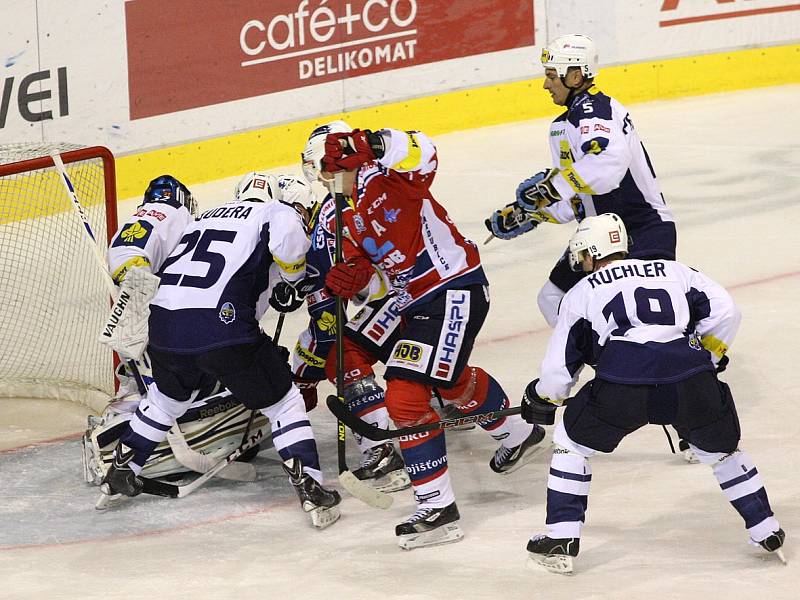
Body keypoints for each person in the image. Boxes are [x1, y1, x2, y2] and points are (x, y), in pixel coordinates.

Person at [519, 213, 785, 574]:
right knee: (722, 452)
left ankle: (561, 537)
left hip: (623, 386)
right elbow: (726, 310)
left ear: (593, 252)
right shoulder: (674, 271)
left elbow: (559, 368)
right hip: (690, 378)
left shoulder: (583, 291)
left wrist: (543, 397)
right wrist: (707, 354)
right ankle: (765, 529)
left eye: (583, 255)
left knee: (571, 442)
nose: (581, 262)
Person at [321, 126, 546, 549]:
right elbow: (366, 272)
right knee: (446, 380)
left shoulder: (382, 176)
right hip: (415, 302)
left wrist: (376, 142)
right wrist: (352, 278)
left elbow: (425, 152)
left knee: (405, 395)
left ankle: (438, 508)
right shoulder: (337, 214)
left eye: (324, 167)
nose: (320, 177)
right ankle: (516, 432)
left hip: (452, 286)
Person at [98, 171, 342, 529]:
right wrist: (294, 278)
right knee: (283, 401)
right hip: (222, 327)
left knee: (167, 398)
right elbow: (289, 241)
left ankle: (122, 468)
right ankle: (312, 488)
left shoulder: (202, 218)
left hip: (164, 326)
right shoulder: (273, 212)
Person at [486, 34, 676, 327]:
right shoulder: (561, 127)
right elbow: (578, 198)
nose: (545, 84)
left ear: (575, 75)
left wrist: (549, 189)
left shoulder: (599, 110)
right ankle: (602, 365)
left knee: (637, 317)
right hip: (597, 237)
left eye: (552, 76)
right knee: (552, 299)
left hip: (641, 229)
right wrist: (534, 212)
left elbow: (606, 169)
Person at [293, 121, 409, 493]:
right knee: (412, 353)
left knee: (343, 355)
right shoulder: (384, 182)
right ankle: (458, 399)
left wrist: (304, 370)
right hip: (430, 290)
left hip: (399, 296)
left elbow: (331, 299)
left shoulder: (333, 210)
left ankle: (381, 448)